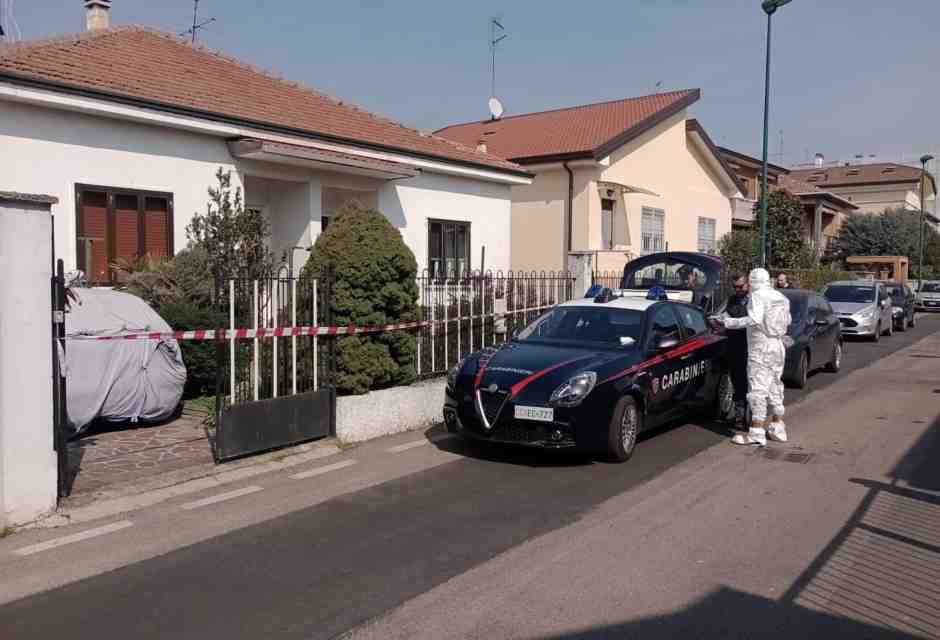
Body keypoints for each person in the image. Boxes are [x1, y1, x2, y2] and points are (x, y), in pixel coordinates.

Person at [717, 267, 791, 446]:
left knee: (758, 389)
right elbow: (788, 320)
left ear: (753, 281)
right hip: (778, 345)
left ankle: (757, 431)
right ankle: (777, 427)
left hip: (761, 346)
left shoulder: (758, 296)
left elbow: (755, 319)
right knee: (775, 385)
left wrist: (729, 322)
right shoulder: (781, 297)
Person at [722, 274, 750, 429]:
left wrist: (732, 322)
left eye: (740, 286)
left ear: (748, 284)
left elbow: (752, 321)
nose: (738, 290)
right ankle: (739, 417)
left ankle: (749, 418)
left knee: (749, 383)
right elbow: (728, 313)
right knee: (737, 382)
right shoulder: (733, 299)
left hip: (749, 347)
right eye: (735, 287)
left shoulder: (754, 301)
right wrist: (720, 319)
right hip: (733, 346)